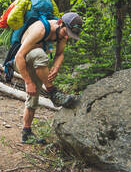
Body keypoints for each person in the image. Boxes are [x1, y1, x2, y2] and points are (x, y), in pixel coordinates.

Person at [13, 12, 83, 144]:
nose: (67, 36)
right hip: (20, 61)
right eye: (66, 32)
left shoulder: (62, 33)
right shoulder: (40, 29)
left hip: (36, 63)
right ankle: (53, 92)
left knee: (33, 97)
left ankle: (26, 133)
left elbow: (60, 53)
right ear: (60, 23)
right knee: (40, 55)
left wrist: (56, 67)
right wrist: (28, 82)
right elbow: (19, 56)